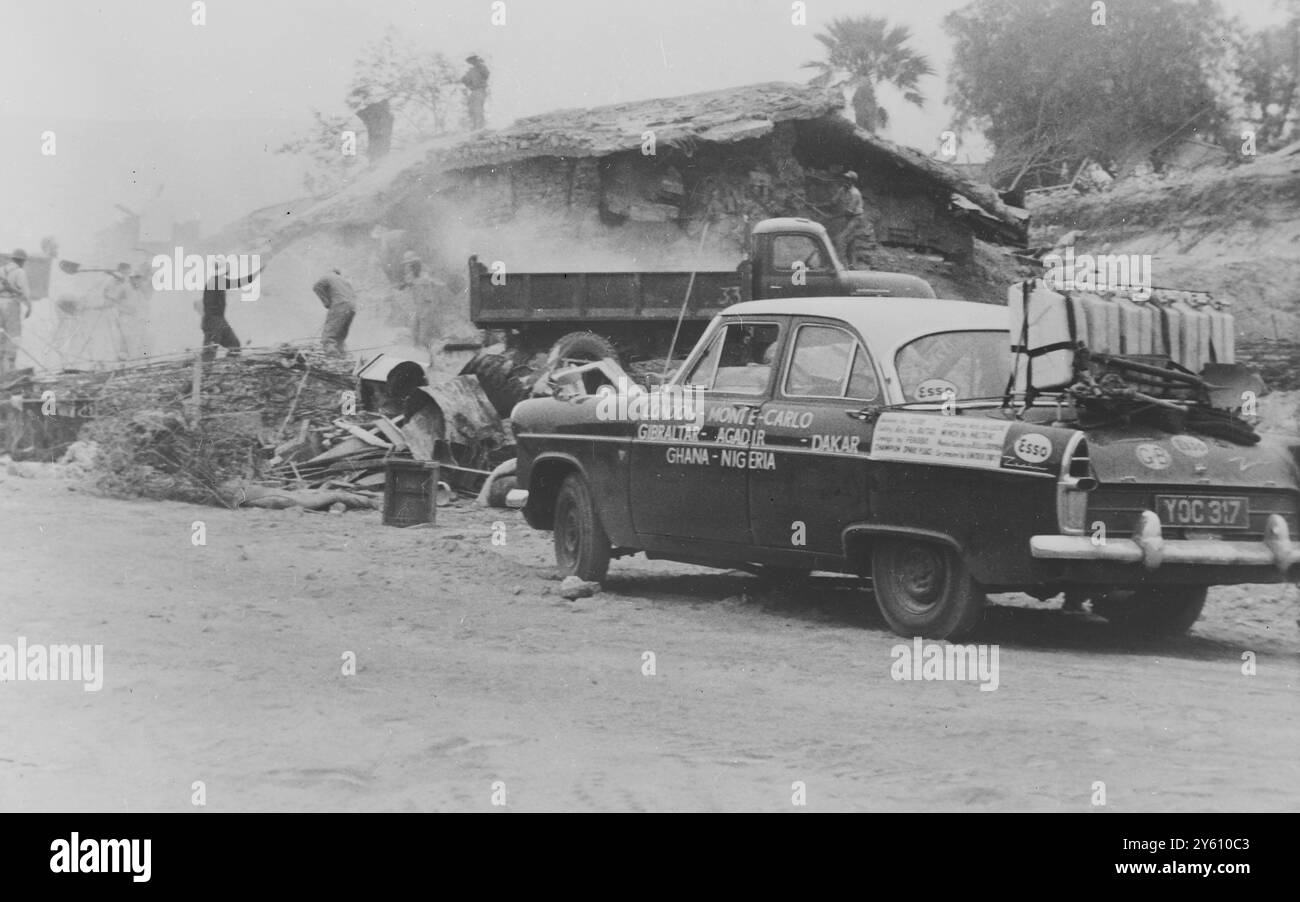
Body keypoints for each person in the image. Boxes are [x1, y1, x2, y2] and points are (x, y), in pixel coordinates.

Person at [201, 257, 263, 361]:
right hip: (214, 321)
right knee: (210, 351)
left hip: (219, 321)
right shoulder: (216, 282)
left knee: (234, 345)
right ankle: (204, 375)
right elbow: (239, 282)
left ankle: (226, 368)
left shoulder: (216, 281)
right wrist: (256, 274)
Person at [0, 248, 33, 377]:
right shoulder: (20, 272)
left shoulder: (1, 270)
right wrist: (29, 306)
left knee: (1, 335)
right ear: (22, 261)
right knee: (13, 335)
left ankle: (1, 370)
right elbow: (25, 291)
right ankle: (11, 368)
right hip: (11, 304)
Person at [398, 251, 439, 352]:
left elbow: (424, 283)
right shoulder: (411, 276)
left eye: (408, 265)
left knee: (423, 333)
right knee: (413, 327)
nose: (406, 267)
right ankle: (416, 348)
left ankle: (423, 349)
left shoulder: (424, 275)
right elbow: (406, 284)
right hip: (418, 306)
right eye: (406, 265)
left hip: (425, 305)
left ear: (414, 265)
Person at [313, 268, 357, 353]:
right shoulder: (345, 281)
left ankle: (330, 352)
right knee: (341, 333)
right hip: (352, 307)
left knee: (329, 333)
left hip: (340, 304)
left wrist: (327, 302)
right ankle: (342, 352)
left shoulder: (327, 276)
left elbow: (316, 287)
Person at [830, 171, 866, 265]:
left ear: (852, 182)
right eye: (845, 179)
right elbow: (833, 201)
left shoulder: (855, 194)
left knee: (841, 239)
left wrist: (832, 217)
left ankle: (840, 265)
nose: (845, 181)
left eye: (848, 180)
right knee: (851, 243)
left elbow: (848, 212)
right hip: (849, 217)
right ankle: (852, 265)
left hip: (856, 218)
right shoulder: (843, 189)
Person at [461, 54, 490, 130]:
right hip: (474, 91)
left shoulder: (481, 67)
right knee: (471, 109)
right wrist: (465, 80)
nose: (472, 62)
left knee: (478, 109)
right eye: (470, 60)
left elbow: (486, 74)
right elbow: (465, 80)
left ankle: (480, 127)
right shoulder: (471, 71)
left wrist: (479, 65)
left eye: (473, 60)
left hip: (480, 90)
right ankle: (474, 127)